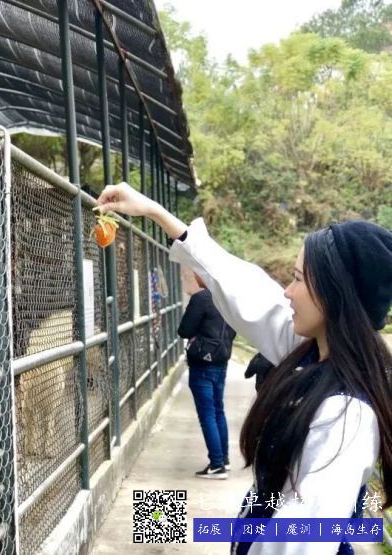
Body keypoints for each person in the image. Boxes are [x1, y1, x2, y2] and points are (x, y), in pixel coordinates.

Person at [95, 182, 392, 555]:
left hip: (204, 370)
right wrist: (157, 213)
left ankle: (215, 462)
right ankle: (218, 461)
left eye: (298, 279)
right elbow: (247, 291)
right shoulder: (314, 353)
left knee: (209, 413)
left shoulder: (346, 412)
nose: (287, 291)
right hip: (218, 371)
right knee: (214, 413)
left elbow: (301, 541)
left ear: (336, 295)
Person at [179, 270, 236, 479]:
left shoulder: (201, 298)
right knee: (218, 410)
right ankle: (224, 459)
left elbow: (184, 330)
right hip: (221, 360)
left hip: (202, 362)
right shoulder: (227, 297)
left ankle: (217, 465)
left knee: (207, 414)